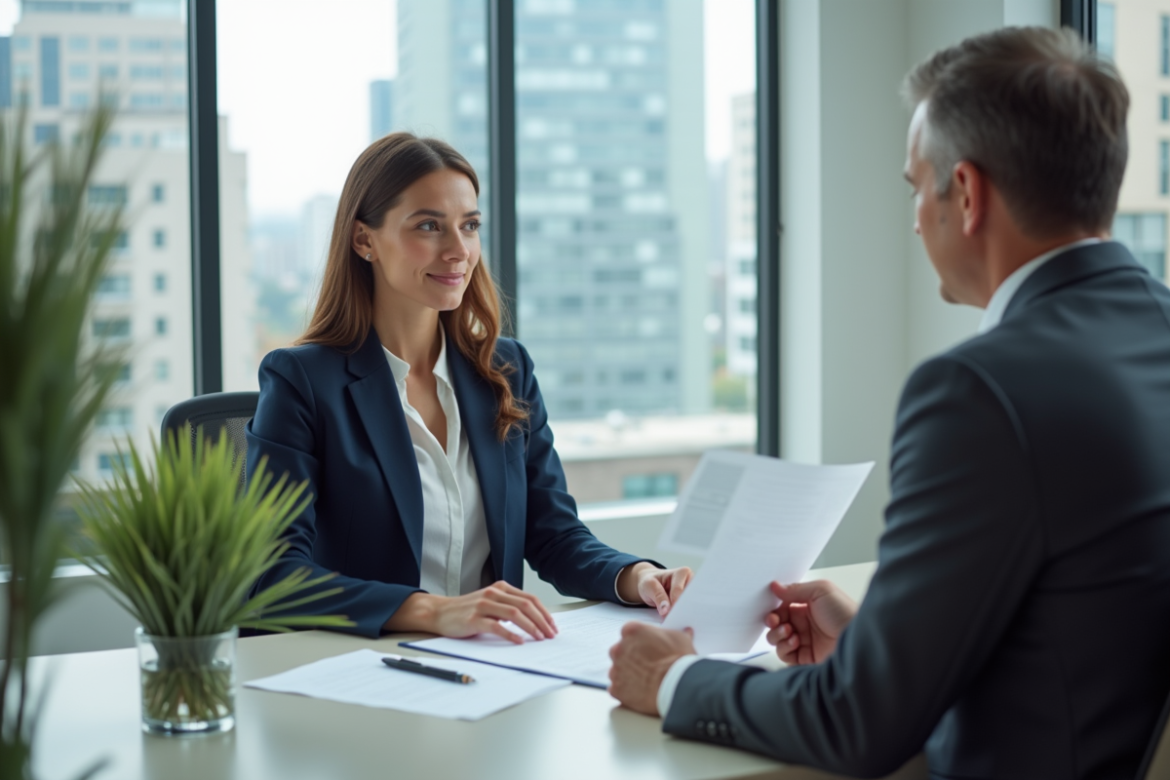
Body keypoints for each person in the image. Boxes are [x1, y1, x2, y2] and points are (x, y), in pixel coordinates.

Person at [608, 26, 1170, 779]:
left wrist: (671, 679)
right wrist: (883, 639)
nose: (914, 219)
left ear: (965, 194)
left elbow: (858, 725)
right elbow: (1086, 609)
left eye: (916, 186)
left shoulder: (979, 392)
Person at [246, 133, 692, 642]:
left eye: (470, 225)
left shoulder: (506, 370)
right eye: (429, 226)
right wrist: (433, 611)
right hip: (363, 665)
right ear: (364, 240)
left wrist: (639, 578)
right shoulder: (301, 381)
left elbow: (554, 535)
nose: (459, 251)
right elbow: (274, 574)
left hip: (489, 666)